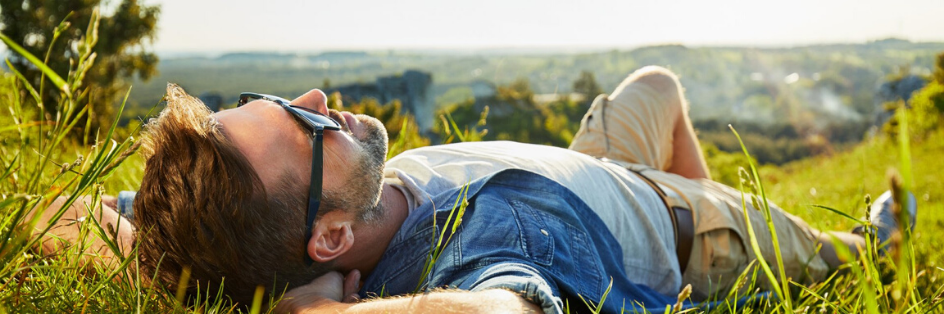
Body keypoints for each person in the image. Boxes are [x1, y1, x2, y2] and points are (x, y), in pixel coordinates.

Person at [31, 66, 915, 314]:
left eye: (266, 104)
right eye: (307, 130)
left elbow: (53, 214)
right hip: (688, 223)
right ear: (330, 241)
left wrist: (159, 257)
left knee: (655, 87)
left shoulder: (260, 216)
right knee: (835, 253)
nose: (312, 100)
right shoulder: (484, 256)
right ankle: (874, 240)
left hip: (592, 160)